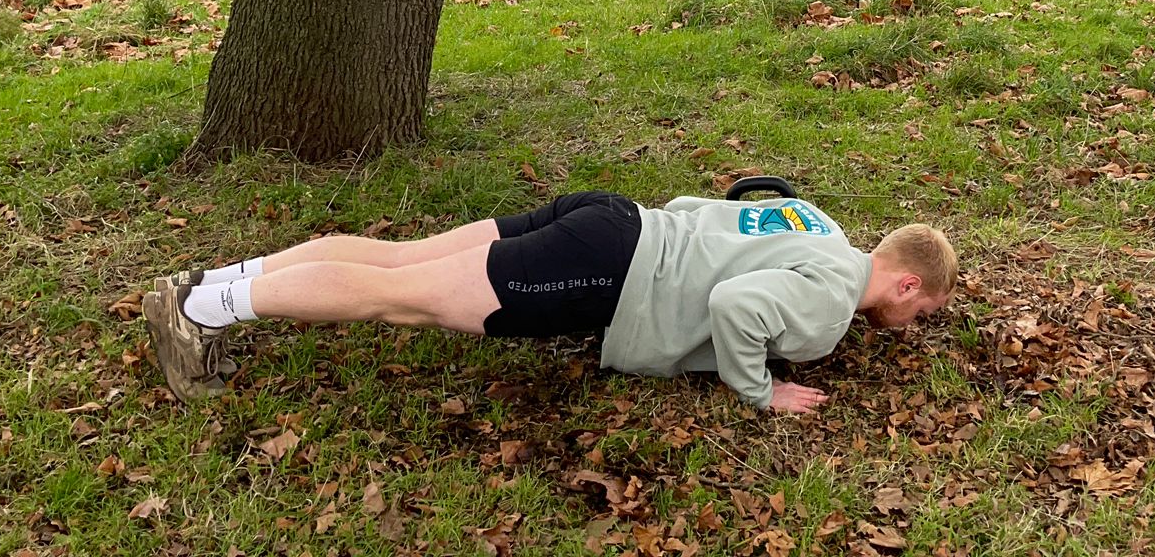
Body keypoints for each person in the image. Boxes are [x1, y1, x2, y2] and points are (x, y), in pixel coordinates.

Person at [143, 190, 955, 414]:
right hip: (605, 266)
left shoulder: (817, 224)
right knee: (400, 297)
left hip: (610, 216)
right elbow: (742, 306)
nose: (903, 325)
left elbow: (693, 207)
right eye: (916, 314)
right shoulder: (830, 305)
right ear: (906, 282)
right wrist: (759, 387)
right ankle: (204, 315)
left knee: (398, 258)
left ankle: (207, 284)